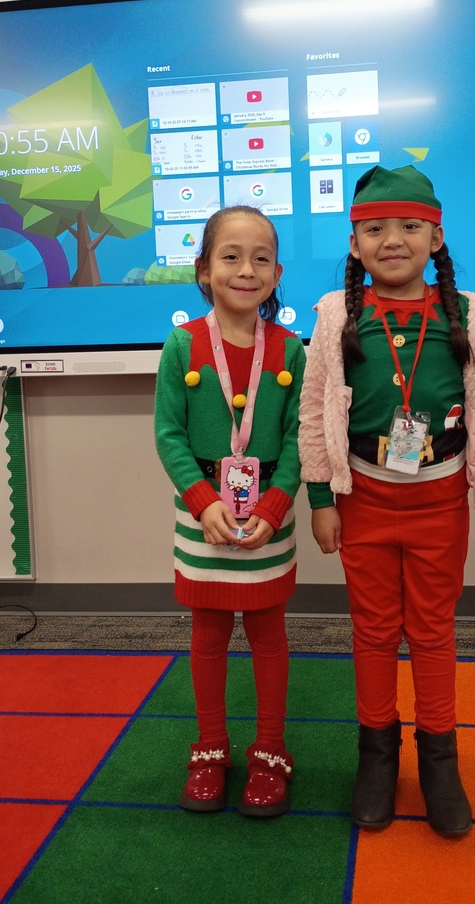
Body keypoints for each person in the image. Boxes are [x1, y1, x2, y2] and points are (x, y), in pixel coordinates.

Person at [298, 165, 475, 838]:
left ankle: (439, 758)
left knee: (430, 631)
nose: (392, 240)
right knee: (371, 630)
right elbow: (314, 411)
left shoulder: (474, 318)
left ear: (436, 236)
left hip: (440, 505)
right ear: (356, 244)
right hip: (362, 501)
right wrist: (320, 497)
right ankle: (376, 755)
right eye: (374, 229)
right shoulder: (338, 315)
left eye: (409, 226)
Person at [155, 205, 305, 818]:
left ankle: (271, 750)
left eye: (261, 258)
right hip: (205, 515)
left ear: (276, 272)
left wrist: (275, 502)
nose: (247, 269)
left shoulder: (292, 348)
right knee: (209, 634)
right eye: (231, 256)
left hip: (269, 515)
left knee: (269, 636)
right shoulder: (183, 343)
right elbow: (169, 434)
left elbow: (301, 438)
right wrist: (201, 499)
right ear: (203, 270)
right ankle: (210, 747)